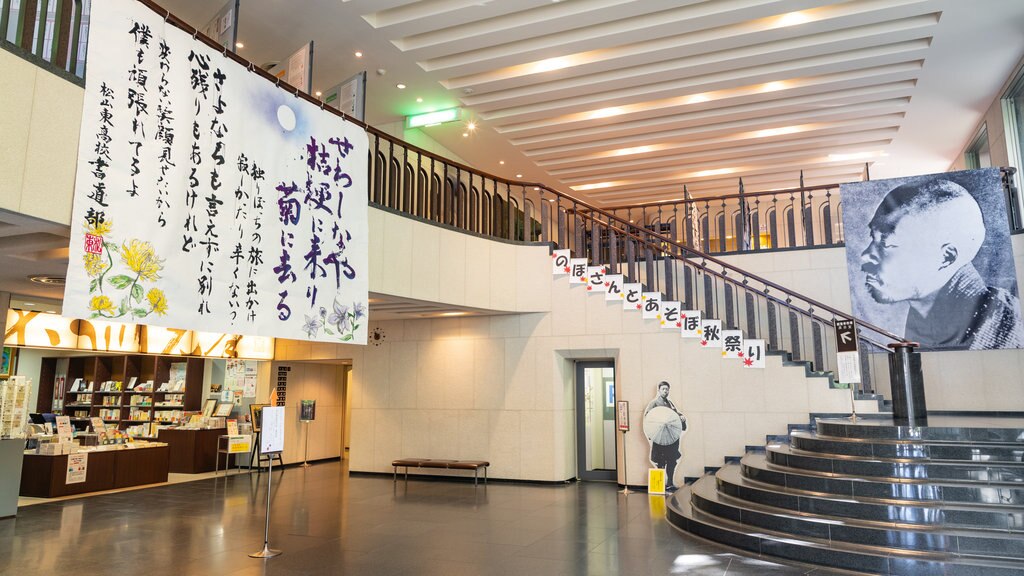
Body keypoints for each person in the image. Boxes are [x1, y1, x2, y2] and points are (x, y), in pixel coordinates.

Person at [859, 178, 1023, 349]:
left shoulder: (1004, 334)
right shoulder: (928, 323)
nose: (866, 256)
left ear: (946, 257)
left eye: (887, 244)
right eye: (873, 238)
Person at [644, 381, 686, 491]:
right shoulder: (654, 404)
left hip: (671, 439)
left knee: (672, 461)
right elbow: (649, 419)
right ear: (658, 390)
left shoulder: (670, 403)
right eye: (663, 389)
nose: (665, 391)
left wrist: (681, 417)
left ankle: (670, 483)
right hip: (660, 439)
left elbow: (675, 415)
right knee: (660, 462)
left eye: (667, 389)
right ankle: (660, 485)